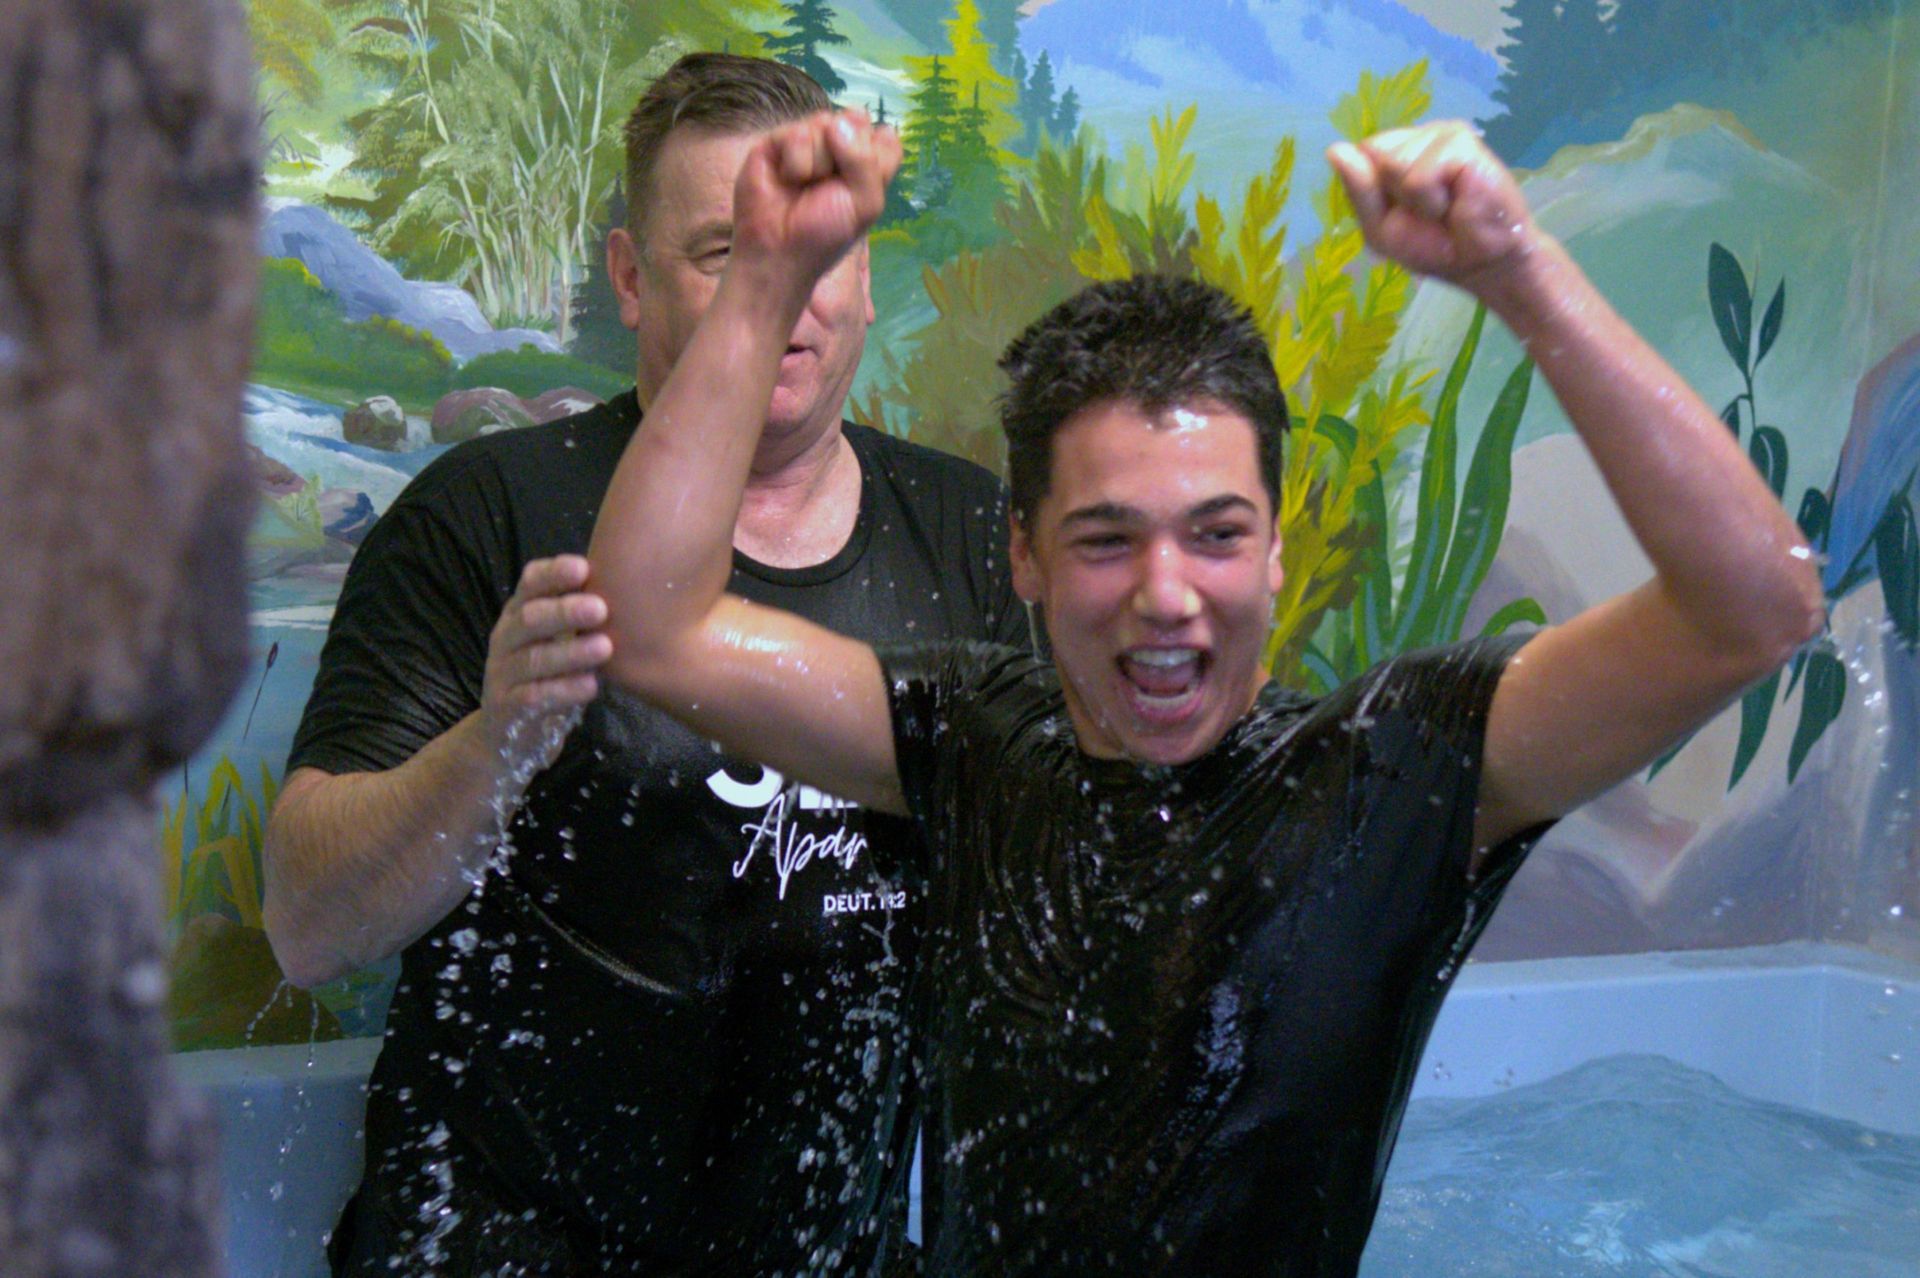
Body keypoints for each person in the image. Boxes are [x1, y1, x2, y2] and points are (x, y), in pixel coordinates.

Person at [584, 108, 1825, 1273]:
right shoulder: (968, 742)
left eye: (1218, 535)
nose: (1168, 595)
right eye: (1108, 538)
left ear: (1277, 550)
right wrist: (759, 281)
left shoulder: (1390, 773)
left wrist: (1521, 274)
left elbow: (1756, 608)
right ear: (1022, 550)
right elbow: (652, 626)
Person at [261, 54, 1029, 1275]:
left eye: (816, 253)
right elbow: (307, 925)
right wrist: (497, 743)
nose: (785, 298)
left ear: (867, 276)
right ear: (630, 277)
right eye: (731, 255)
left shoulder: (981, 543)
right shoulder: (490, 515)